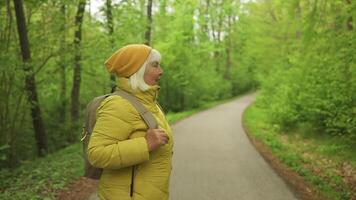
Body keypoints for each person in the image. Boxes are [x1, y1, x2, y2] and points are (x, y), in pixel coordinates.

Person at [87, 44, 173, 200]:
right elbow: (96, 154)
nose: (161, 71)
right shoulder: (118, 105)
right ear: (137, 70)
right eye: (155, 65)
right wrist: (145, 144)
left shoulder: (150, 102)